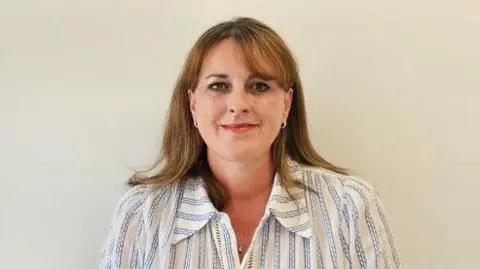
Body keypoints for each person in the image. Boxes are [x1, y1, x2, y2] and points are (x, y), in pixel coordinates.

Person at [98, 17, 401, 269]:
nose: (238, 103)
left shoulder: (349, 207)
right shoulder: (143, 215)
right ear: (193, 105)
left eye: (259, 86)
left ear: (286, 102)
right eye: (219, 86)